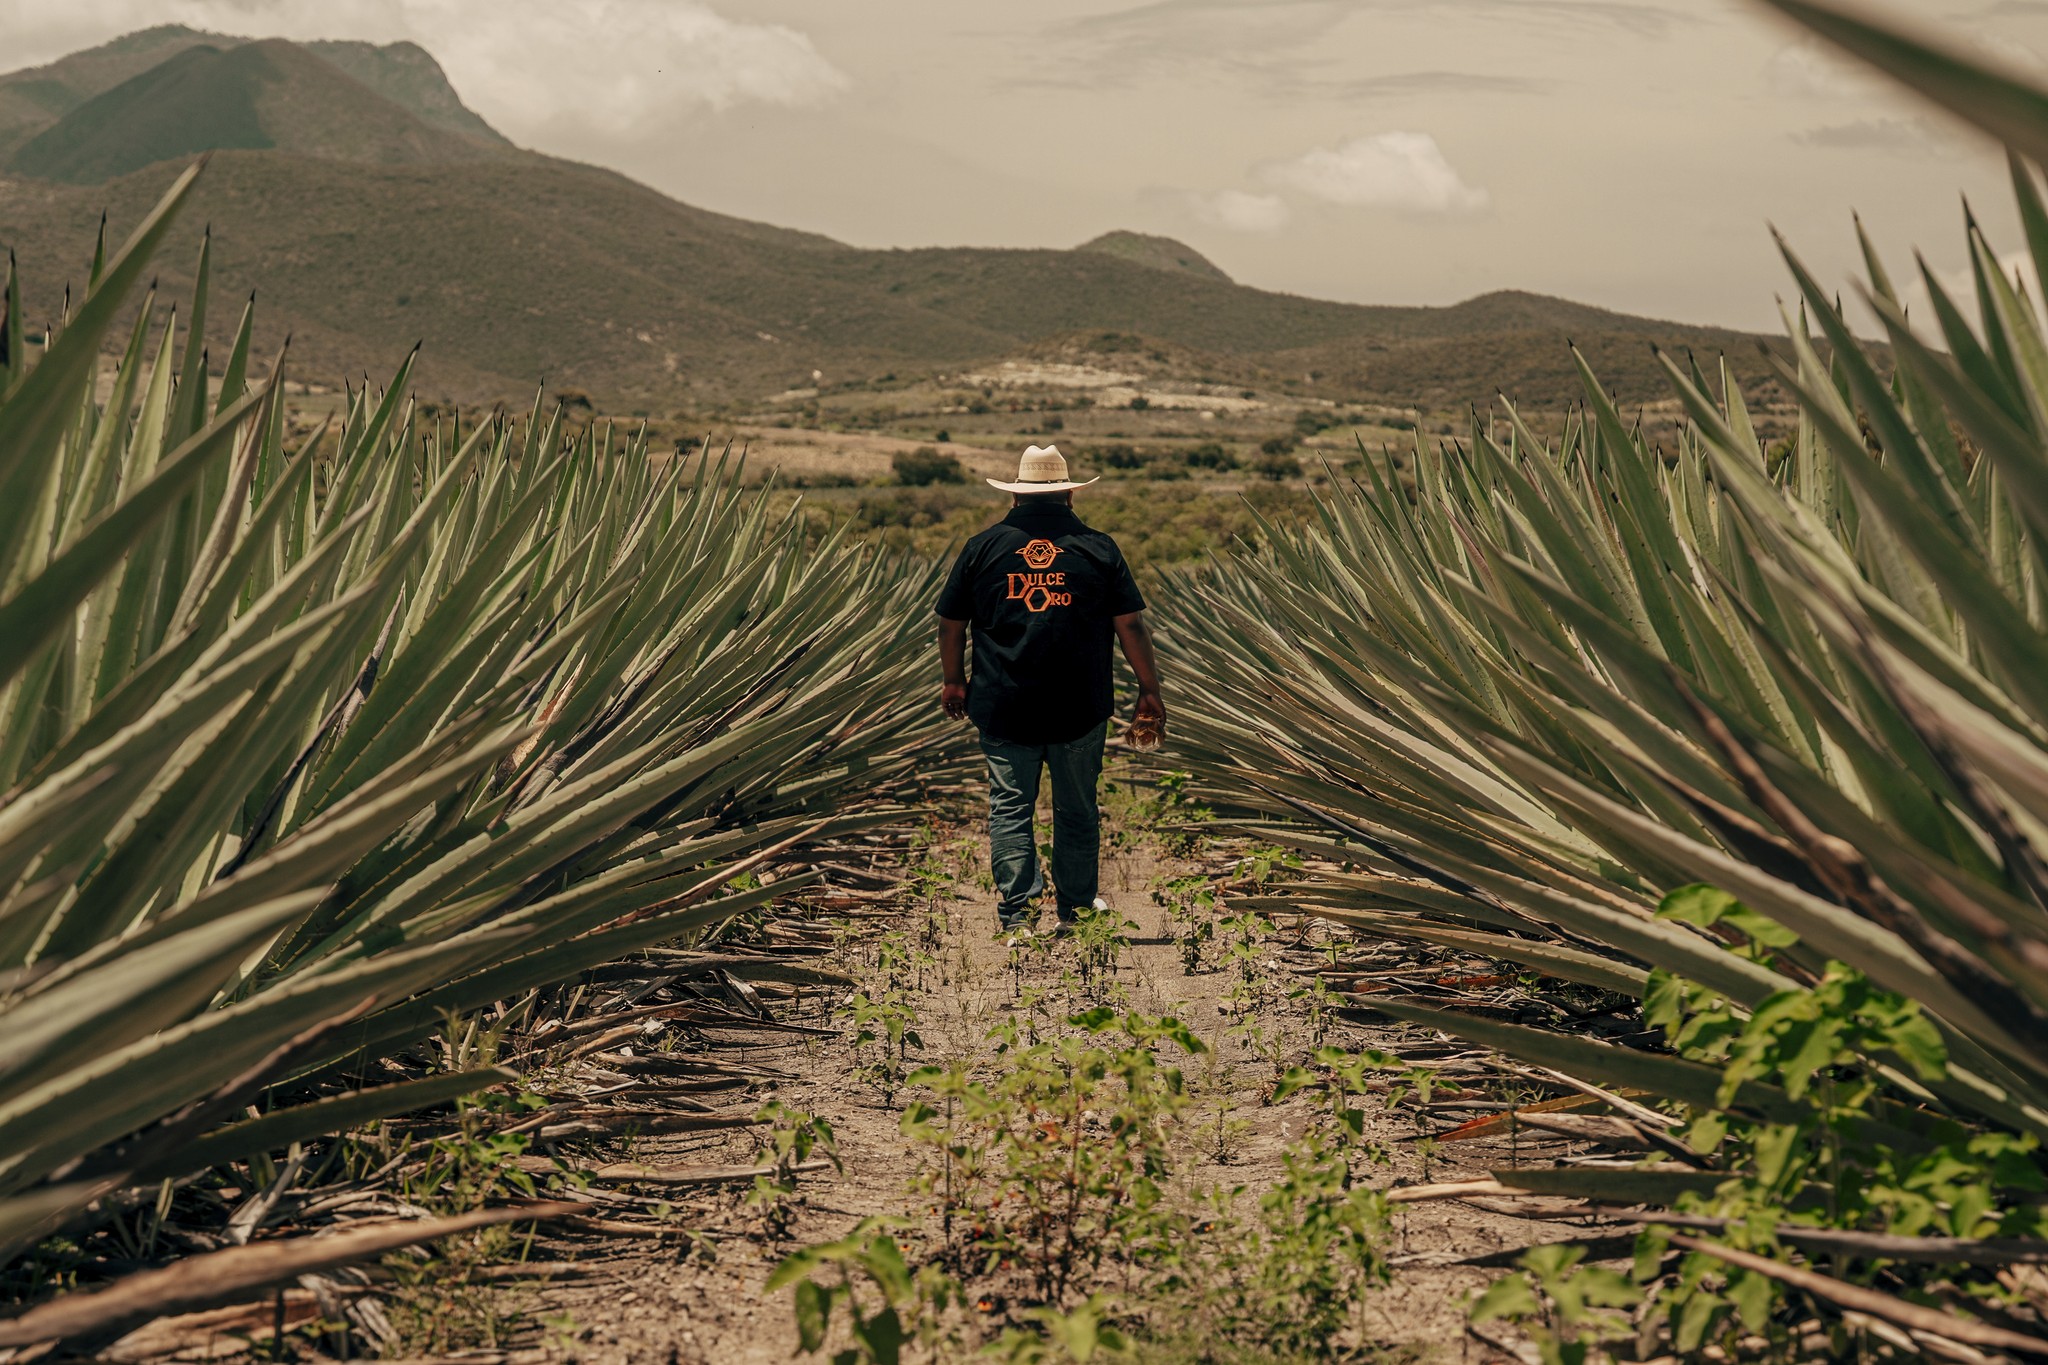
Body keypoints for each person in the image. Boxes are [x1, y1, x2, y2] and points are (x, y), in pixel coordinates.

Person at [934, 444, 1166, 938]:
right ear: (1069, 495)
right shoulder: (1099, 548)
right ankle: (1077, 912)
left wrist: (954, 680)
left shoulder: (982, 548)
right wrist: (1149, 689)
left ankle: (1017, 916)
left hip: (1001, 703)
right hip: (1078, 705)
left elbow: (950, 624)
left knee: (1011, 807)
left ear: (1016, 497)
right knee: (1077, 808)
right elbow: (1131, 626)